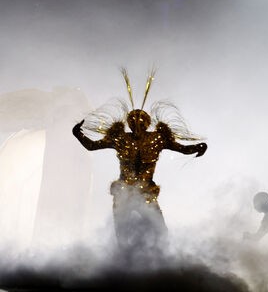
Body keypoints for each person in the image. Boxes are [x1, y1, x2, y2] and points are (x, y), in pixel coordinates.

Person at [72, 69, 206, 250]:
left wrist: (197, 147)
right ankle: (125, 259)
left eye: (141, 121)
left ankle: (159, 258)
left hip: (145, 194)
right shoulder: (121, 138)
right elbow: (91, 146)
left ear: (147, 123)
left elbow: (181, 148)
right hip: (124, 192)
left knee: (160, 231)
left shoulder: (156, 139)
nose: (137, 124)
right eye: (133, 121)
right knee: (122, 235)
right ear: (129, 124)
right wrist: (78, 134)